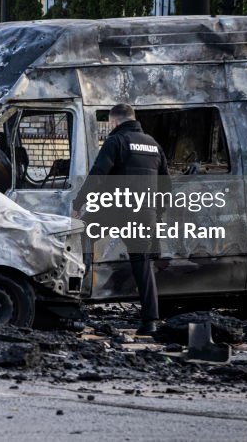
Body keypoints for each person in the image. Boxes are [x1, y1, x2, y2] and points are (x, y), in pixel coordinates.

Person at [73, 103, 170, 335]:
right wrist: (156, 215)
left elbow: (97, 175)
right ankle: (150, 322)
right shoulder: (154, 145)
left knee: (81, 237)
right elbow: (166, 187)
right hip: (144, 213)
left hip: (115, 209)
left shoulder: (116, 141)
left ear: (114, 122)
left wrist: (78, 204)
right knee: (142, 265)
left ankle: (73, 304)